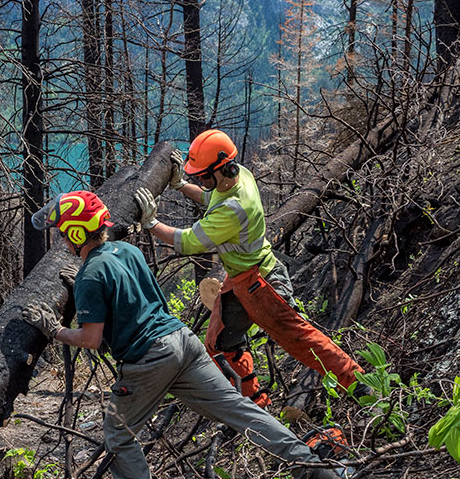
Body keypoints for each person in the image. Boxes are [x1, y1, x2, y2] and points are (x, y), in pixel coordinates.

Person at [23, 190, 347, 479]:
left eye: (62, 231)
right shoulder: (128, 252)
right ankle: (314, 472)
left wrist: (54, 330)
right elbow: (143, 302)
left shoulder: (89, 274)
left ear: (73, 233)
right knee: (239, 410)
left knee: (118, 435)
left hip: (148, 360)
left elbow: (90, 339)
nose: (60, 238)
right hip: (183, 342)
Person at [135, 129, 365, 407]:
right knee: (220, 345)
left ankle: (360, 384)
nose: (201, 181)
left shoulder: (234, 207)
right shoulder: (237, 175)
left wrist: (151, 223)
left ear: (221, 169)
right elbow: (211, 198)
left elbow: (189, 241)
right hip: (241, 281)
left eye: (204, 176)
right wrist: (181, 185)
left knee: (302, 341)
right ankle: (254, 405)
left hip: (262, 284)